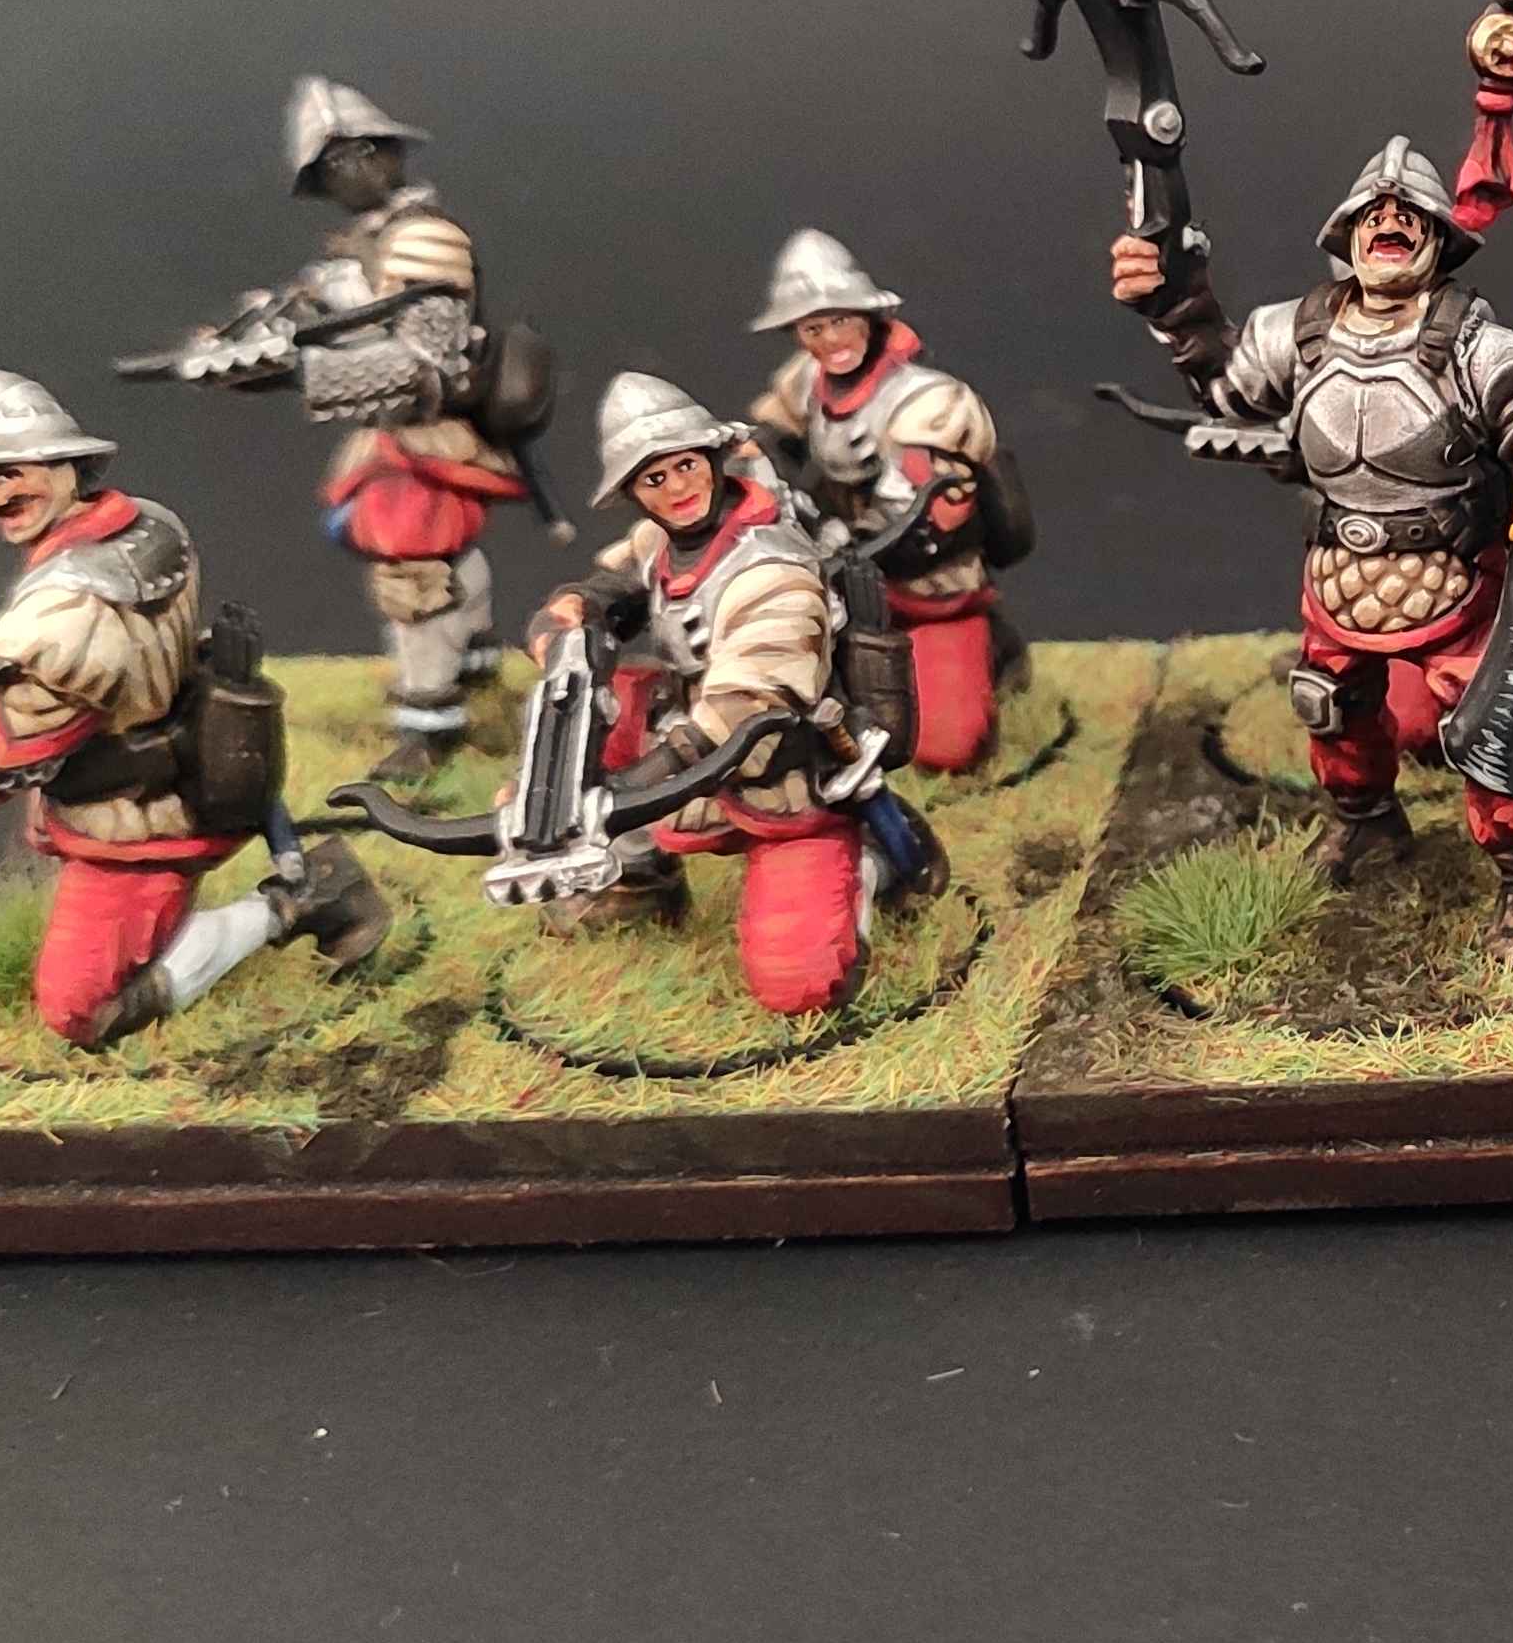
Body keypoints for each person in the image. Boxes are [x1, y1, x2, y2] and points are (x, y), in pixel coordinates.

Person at [0, 372, 383, 1046]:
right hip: (155, 773)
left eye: (11, 473)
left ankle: (301, 901)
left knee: (81, 1010)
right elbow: (79, 656)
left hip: (139, 822)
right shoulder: (145, 527)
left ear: (67, 464)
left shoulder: (71, 608)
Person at [1113, 138, 1513, 956]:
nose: (1391, 222)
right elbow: (1225, 390)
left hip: (1456, 581)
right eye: (1374, 213)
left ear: (1438, 238)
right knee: (1328, 703)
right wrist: (1172, 301)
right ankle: (1366, 820)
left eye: (1410, 213)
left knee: (1487, 728)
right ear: (1349, 232)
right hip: (1339, 577)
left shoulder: (1478, 345)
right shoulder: (1298, 331)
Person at [531, 374, 942, 1010]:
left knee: (798, 979)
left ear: (714, 458)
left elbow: (745, 705)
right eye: (655, 479)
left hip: (777, 766)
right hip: (684, 741)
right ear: (635, 492)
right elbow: (611, 586)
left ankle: (867, 865)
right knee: (611, 695)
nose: (677, 489)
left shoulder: (772, 569)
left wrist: (628, 789)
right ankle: (634, 870)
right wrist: (570, 614)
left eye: (686, 466)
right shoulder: (657, 541)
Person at [166, 78, 531, 777]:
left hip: (430, 426)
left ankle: (430, 718)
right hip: (391, 433)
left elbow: (425, 366)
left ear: (382, 153)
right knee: (431, 552)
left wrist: (301, 373)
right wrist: (243, 349)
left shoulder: (425, 240)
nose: (343, 175)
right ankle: (473, 653)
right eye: (330, 166)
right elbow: (311, 315)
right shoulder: (362, 244)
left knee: (412, 565)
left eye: (350, 157)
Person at [745, 230, 1016, 775]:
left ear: (868, 317)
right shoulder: (805, 381)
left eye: (841, 320)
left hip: (926, 585)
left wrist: (835, 547)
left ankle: (995, 649)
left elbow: (923, 521)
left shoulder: (932, 400)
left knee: (946, 748)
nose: (830, 339)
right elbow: (767, 440)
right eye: (813, 328)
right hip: (835, 586)